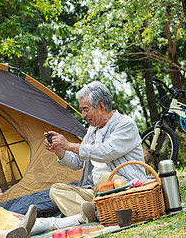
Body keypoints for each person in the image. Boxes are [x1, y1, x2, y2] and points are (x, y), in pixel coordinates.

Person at [44, 81, 147, 217]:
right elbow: (77, 162)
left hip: (123, 186)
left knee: (106, 178)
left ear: (101, 106)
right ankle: (95, 212)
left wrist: (69, 145)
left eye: (85, 109)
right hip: (94, 191)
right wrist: (60, 150)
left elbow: (105, 152)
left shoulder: (125, 125)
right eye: (82, 110)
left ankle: (84, 214)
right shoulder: (92, 130)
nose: (83, 115)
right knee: (56, 190)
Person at [0, 159, 96, 238]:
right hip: (9, 229)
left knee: (43, 223)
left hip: (14, 223)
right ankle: (81, 218)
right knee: (47, 223)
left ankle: (81, 217)